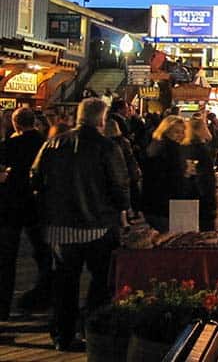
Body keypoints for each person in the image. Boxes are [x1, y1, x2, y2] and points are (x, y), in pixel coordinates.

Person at [30, 98, 130, 352]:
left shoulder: (53, 143)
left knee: (65, 283)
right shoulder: (106, 147)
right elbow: (119, 186)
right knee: (101, 280)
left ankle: (62, 336)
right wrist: (122, 210)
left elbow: (35, 178)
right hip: (97, 225)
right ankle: (93, 329)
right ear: (101, 119)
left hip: (60, 228)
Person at [0, 108, 52, 319]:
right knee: (44, 256)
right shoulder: (45, 144)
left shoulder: (9, 145)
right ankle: (44, 295)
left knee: (6, 260)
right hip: (37, 206)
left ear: (16, 124)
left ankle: (3, 306)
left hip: (11, 206)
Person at [141, 115, 187, 232]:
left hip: (152, 206)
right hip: (169, 207)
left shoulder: (154, 147)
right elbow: (176, 182)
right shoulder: (173, 150)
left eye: (183, 132)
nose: (181, 135)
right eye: (176, 132)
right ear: (166, 132)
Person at [181, 117, 218, 231]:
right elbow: (208, 177)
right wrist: (211, 200)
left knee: (182, 237)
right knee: (204, 237)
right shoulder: (202, 150)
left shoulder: (182, 148)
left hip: (183, 196)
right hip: (200, 197)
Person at [105, 115, 142, 220]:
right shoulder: (123, 141)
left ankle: (124, 217)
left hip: (117, 172)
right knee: (128, 193)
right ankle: (130, 213)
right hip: (126, 171)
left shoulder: (105, 144)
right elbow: (130, 158)